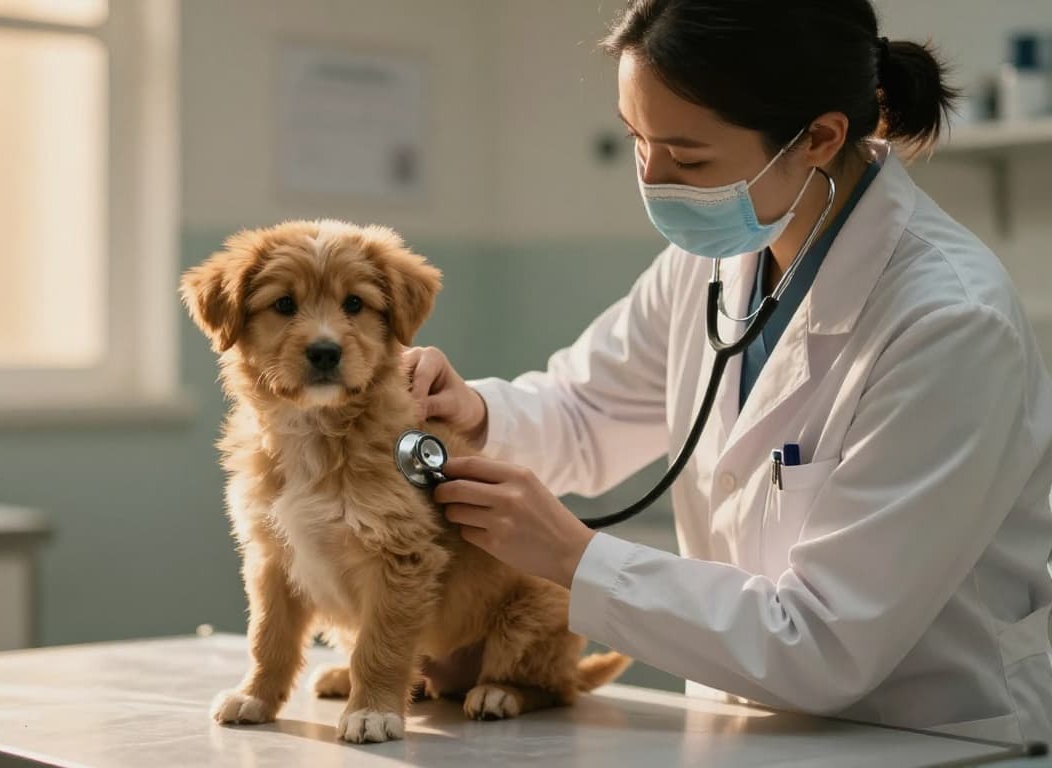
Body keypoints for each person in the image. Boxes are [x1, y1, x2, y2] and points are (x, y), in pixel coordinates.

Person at [406, 0, 1052, 744]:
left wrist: (571, 557)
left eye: (688, 156)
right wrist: (476, 413)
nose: (652, 177)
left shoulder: (949, 323)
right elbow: (588, 408)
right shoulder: (710, 266)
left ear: (818, 137)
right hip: (743, 737)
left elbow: (824, 639)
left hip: (928, 739)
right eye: (635, 139)